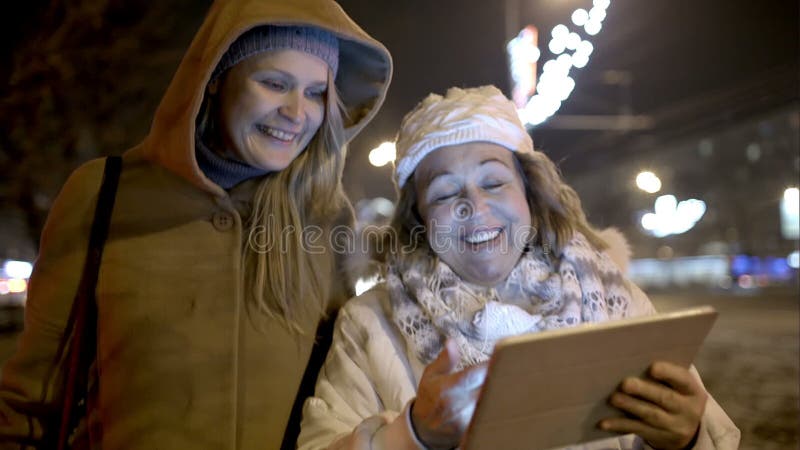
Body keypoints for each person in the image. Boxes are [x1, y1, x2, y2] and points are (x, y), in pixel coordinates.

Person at [0, 0, 391, 448]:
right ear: (216, 78)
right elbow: (28, 410)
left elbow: (347, 389)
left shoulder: (325, 218)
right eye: (275, 83)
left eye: (316, 92)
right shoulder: (105, 195)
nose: (297, 112)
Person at [297, 86, 740, 450]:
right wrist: (412, 434)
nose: (475, 206)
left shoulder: (613, 297)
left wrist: (687, 438)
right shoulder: (370, 323)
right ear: (419, 220)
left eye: (494, 182)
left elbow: (713, 436)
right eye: (447, 194)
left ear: (529, 194)